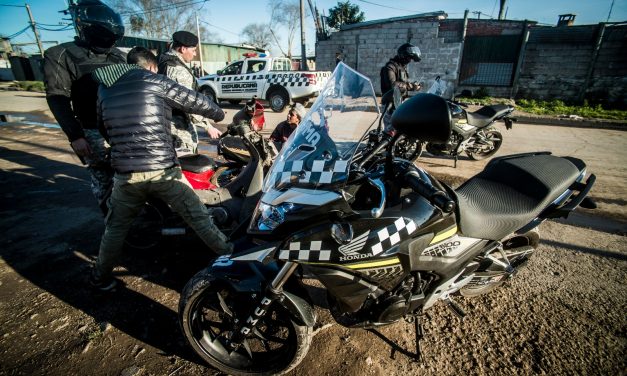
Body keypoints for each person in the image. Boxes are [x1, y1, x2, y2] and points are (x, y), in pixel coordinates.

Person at [89, 47, 232, 290]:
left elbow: (102, 127)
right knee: (199, 218)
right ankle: (236, 261)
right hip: (163, 171)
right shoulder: (155, 81)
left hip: (126, 175)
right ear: (151, 66)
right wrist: (217, 113)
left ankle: (100, 277)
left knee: (115, 228)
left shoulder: (104, 88)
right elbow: (194, 101)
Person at [43, 0, 126, 213]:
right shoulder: (61, 54)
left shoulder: (118, 56)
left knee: (133, 180)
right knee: (105, 181)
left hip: (124, 130)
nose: (109, 42)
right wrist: (75, 136)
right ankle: (114, 228)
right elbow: (57, 98)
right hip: (92, 131)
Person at [158, 30, 222, 154]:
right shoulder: (178, 70)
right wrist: (208, 126)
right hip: (178, 128)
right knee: (186, 164)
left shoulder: (163, 61)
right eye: (193, 50)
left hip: (163, 123)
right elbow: (188, 103)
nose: (195, 54)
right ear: (183, 49)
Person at [379, 43, 422, 132]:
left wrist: (414, 86)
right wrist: (410, 86)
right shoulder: (390, 67)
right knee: (390, 131)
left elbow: (403, 83)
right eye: (409, 58)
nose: (410, 60)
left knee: (398, 129)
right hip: (389, 104)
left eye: (411, 58)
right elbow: (393, 85)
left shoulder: (401, 68)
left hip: (398, 101)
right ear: (403, 55)